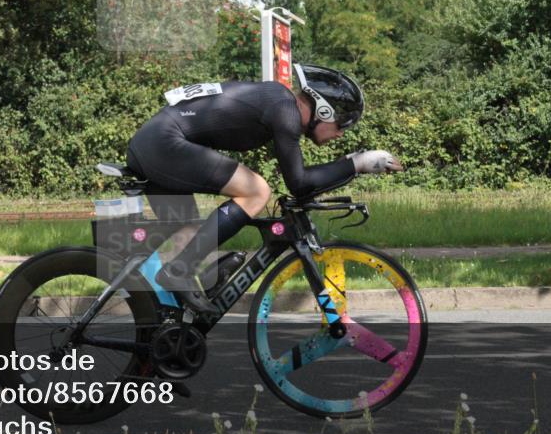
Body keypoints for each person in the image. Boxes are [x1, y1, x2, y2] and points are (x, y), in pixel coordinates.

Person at [125, 63, 402, 314]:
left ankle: (164, 332)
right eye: (341, 122)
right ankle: (179, 271)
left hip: (154, 141)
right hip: (164, 143)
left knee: (188, 240)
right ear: (323, 108)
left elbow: (299, 180)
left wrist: (351, 164)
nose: (341, 132)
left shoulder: (277, 100)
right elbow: (300, 184)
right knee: (257, 191)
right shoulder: (285, 111)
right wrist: (357, 164)